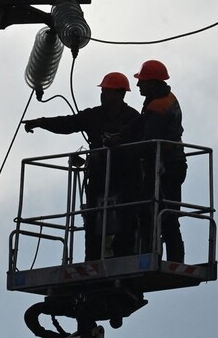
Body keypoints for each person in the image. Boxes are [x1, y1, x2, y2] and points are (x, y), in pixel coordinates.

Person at [24, 72, 140, 260]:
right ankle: (92, 259)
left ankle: (124, 255)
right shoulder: (94, 115)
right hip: (98, 176)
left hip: (125, 177)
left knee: (125, 218)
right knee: (93, 219)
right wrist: (41, 122)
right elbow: (68, 123)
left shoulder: (133, 119)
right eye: (102, 91)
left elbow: (142, 143)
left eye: (106, 91)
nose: (102, 95)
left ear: (119, 94)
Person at [132, 60, 187, 263]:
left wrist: (128, 151)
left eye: (142, 81)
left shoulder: (157, 106)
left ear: (153, 82)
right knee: (168, 214)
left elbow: (149, 140)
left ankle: (148, 254)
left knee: (150, 211)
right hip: (174, 163)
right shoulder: (167, 99)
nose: (138, 85)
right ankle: (175, 259)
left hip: (164, 167)